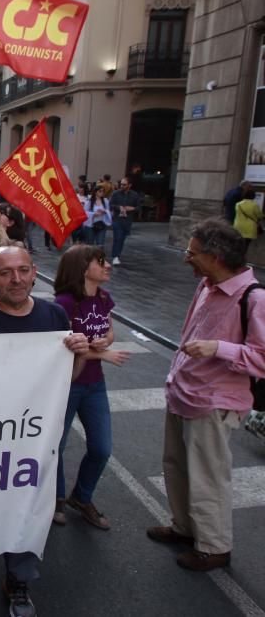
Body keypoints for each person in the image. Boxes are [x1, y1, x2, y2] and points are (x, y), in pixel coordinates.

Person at [0, 246, 90, 617]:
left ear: (34, 272)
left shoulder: (54, 315)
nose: (16, 279)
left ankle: (19, 578)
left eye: (23, 270)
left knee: (27, 507)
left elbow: (65, 381)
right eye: (6, 272)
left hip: (31, 440)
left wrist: (78, 354)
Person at [146, 218, 265, 571]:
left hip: (215, 403)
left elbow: (262, 357)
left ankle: (214, 546)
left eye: (192, 253)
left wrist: (218, 348)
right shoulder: (207, 285)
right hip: (184, 392)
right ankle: (184, 527)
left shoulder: (254, 298)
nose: (186, 259)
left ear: (215, 257)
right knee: (177, 466)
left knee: (208, 477)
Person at [52, 245, 131, 529]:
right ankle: (56, 498)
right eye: (101, 261)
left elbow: (108, 329)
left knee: (101, 448)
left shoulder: (103, 297)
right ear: (83, 268)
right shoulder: (63, 303)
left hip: (95, 384)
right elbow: (60, 348)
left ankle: (81, 497)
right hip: (68, 384)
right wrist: (103, 354)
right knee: (55, 447)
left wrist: (105, 342)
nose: (107, 265)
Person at [109, 177, 141, 265]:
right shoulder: (116, 193)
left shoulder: (135, 195)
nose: (122, 186)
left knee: (122, 239)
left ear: (129, 185)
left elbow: (138, 208)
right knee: (118, 237)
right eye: (121, 184)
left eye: (124, 184)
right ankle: (115, 256)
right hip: (117, 219)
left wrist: (131, 208)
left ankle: (117, 255)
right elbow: (110, 205)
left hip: (127, 220)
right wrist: (119, 207)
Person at [233, 187, 263, 255]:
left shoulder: (238, 204)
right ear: (253, 196)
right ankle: (241, 259)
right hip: (249, 228)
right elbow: (259, 215)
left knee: (238, 244)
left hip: (238, 226)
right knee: (245, 245)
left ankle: (235, 258)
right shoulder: (254, 205)